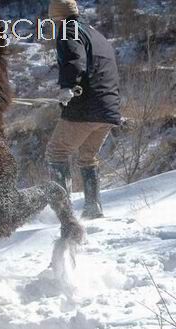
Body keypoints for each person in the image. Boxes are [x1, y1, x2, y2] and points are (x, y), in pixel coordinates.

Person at [46, 0, 121, 219]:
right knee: (88, 157)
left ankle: (63, 213)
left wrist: (67, 87)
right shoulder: (96, 34)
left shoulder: (68, 31)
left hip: (86, 108)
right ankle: (93, 208)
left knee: (56, 152)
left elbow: (74, 59)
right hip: (109, 109)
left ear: (56, 17)